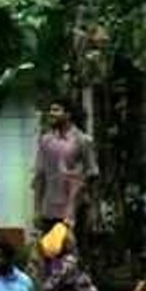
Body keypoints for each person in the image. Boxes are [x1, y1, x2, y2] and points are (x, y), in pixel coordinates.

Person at [32, 97, 99, 233]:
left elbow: (92, 173)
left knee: (73, 251)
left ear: (68, 115)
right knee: (50, 251)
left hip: (75, 210)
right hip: (49, 210)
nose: (51, 113)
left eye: (56, 110)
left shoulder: (82, 140)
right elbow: (39, 176)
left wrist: (92, 209)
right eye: (50, 110)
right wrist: (36, 210)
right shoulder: (46, 141)